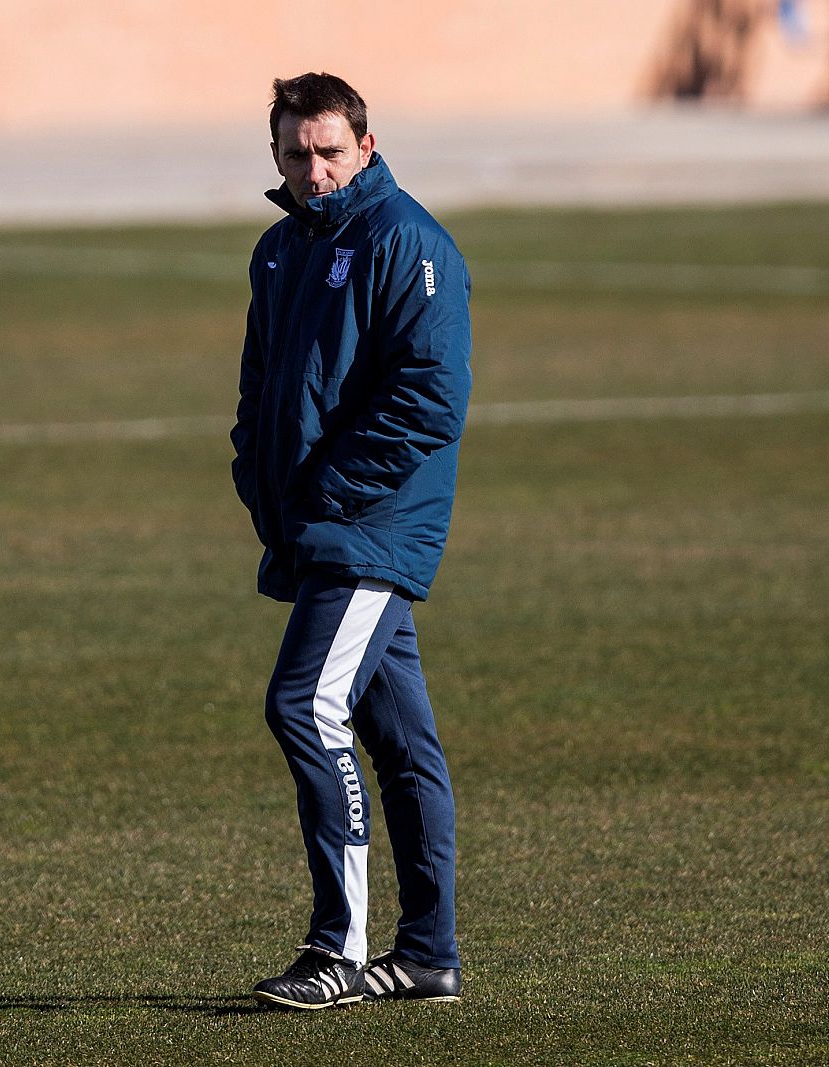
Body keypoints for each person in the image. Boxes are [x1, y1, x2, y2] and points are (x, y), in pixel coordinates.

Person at [230, 72, 472, 1011]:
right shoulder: (279, 251)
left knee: (302, 706)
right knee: (402, 743)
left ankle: (337, 947)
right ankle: (428, 955)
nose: (315, 170)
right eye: (297, 154)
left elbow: (427, 399)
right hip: (316, 528)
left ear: (365, 147)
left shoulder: (408, 241)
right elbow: (260, 391)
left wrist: (326, 493)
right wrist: (262, 486)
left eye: (331, 151)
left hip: (372, 528)